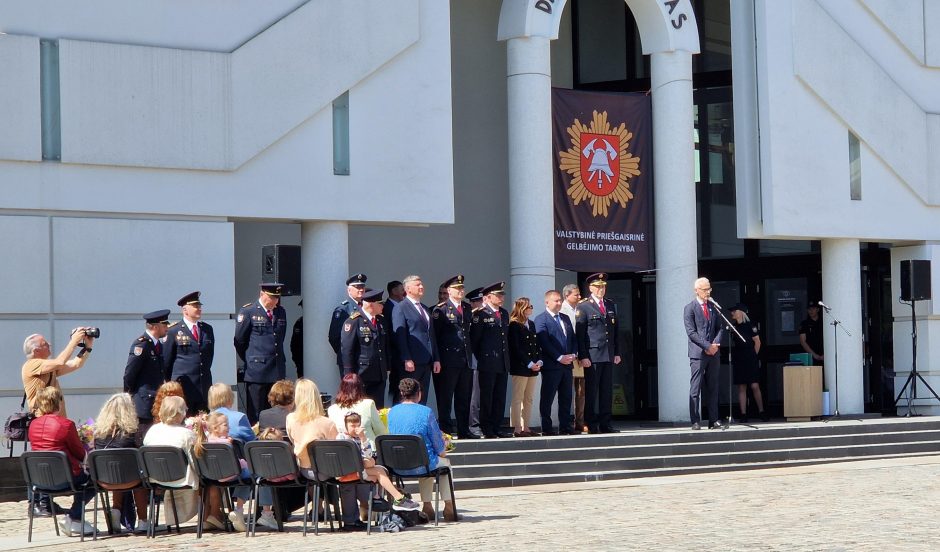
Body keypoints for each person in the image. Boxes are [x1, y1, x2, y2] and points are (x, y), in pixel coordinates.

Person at [287, 378, 369, 532]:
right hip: (324, 470)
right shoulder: (326, 422)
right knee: (349, 472)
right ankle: (354, 516)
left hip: (304, 469)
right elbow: (338, 449)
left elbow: (293, 439)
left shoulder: (290, 419)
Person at [28, 387, 97, 537]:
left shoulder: (33, 425)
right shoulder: (66, 424)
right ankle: (74, 518)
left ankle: (75, 520)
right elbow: (79, 453)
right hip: (66, 478)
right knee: (95, 479)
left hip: (40, 480)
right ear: (58, 402)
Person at [387, 378, 457, 522]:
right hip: (422, 463)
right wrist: (442, 452)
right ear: (419, 393)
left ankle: (428, 506)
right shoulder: (426, 412)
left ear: (401, 393)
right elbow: (437, 441)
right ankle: (449, 507)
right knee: (443, 464)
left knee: (427, 462)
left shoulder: (392, 412)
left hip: (398, 464)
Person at [193, 412, 276, 532]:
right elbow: (235, 462)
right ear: (216, 428)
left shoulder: (204, 442)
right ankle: (266, 513)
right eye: (225, 425)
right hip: (232, 474)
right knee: (262, 473)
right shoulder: (226, 443)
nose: (228, 427)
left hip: (213, 477)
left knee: (247, 477)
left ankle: (239, 512)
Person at [336, 411, 420, 512]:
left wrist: (363, 438)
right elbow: (346, 458)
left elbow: (368, 455)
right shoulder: (342, 438)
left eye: (358, 426)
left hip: (358, 471)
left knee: (378, 469)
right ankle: (397, 498)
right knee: (378, 471)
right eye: (352, 426)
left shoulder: (359, 438)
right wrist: (365, 463)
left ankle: (382, 498)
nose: (355, 429)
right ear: (345, 426)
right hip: (346, 472)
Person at [92, 393, 151, 534]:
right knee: (138, 477)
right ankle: (143, 521)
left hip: (104, 481)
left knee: (116, 471)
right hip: (132, 480)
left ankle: (116, 511)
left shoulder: (99, 434)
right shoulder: (133, 433)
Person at [142, 395, 201, 527]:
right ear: (180, 413)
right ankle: (211, 515)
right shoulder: (186, 434)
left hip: (155, 477)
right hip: (181, 478)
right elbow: (195, 462)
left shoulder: (152, 430)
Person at [234, 282, 288, 425]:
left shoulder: (280, 312)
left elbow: (280, 339)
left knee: (277, 412)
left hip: (276, 370)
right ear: (262, 294)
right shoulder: (249, 312)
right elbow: (239, 341)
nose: (275, 301)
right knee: (256, 413)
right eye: (272, 297)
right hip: (257, 371)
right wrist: (251, 359)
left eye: (277, 298)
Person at [575, 273, 621, 434]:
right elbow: (580, 334)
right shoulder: (584, 306)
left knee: (606, 391)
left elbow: (615, 331)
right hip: (592, 355)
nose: (601, 289)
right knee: (591, 391)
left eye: (603, 286)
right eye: (598, 287)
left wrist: (616, 352)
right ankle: (591, 423)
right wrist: (583, 355)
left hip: (608, 354)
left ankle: (605, 423)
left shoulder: (609, 305)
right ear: (591, 288)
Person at [431, 274, 474, 438]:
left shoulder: (467, 308)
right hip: (448, 360)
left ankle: (464, 429)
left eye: (462, 288)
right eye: (457, 288)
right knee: (446, 397)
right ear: (449, 291)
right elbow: (435, 336)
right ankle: (446, 431)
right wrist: (437, 359)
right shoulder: (440, 310)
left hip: (465, 359)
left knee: (464, 396)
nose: (461, 291)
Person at [469, 282, 512, 439]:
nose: (501, 298)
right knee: (484, 397)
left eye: (502, 295)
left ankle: (495, 426)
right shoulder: (480, 314)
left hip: (502, 361)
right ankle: (482, 426)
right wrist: (479, 361)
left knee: (499, 396)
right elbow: (475, 340)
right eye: (498, 295)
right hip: (486, 362)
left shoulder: (504, 313)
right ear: (487, 297)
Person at [22, 327, 94, 418]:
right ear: (36, 351)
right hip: (44, 423)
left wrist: (88, 347)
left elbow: (76, 364)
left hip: (58, 422)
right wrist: (74, 341)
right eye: (45, 344)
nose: (50, 344)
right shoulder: (31, 365)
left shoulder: (48, 367)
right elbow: (60, 362)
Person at [392, 274, 440, 405]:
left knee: (421, 396)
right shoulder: (401, 307)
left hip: (426, 361)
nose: (421, 287)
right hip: (412, 362)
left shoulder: (424, 308)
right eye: (417, 284)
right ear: (407, 288)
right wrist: (406, 358)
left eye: (421, 284)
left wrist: (436, 358)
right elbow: (400, 335)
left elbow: (431, 335)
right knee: (408, 396)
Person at [684, 277, 725, 430]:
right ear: (696, 290)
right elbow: (691, 333)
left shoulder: (713, 307)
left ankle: (713, 420)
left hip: (713, 353)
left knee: (713, 387)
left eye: (709, 289)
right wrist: (707, 346)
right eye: (704, 289)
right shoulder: (690, 308)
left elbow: (720, 327)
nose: (708, 292)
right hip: (698, 353)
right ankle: (695, 420)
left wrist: (715, 344)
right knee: (696, 387)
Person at [163, 291, 215, 414]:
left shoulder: (207, 329)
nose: (199, 309)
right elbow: (166, 362)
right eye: (195, 306)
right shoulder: (173, 331)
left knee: (202, 425)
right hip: (183, 387)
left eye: (199, 306)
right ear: (185, 310)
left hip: (203, 386)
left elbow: (208, 357)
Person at [535, 290, 578, 436]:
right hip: (552, 366)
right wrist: (559, 357)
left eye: (560, 300)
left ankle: (565, 426)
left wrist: (573, 354)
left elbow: (572, 338)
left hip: (567, 365)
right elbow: (544, 342)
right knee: (547, 397)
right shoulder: (541, 319)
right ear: (547, 302)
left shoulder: (565, 318)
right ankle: (546, 427)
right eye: (556, 301)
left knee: (566, 397)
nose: (559, 303)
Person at [124, 310, 171, 438]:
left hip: (156, 402)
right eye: (164, 325)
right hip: (144, 404)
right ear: (155, 327)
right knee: (143, 439)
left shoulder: (158, 345)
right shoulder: (142, 344)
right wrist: (130, 396)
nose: (167, 327)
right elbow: (129, 374)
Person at [340, 288, 389, 407]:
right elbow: (347, 350)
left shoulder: (381, 320)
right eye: (380, 303)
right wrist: (349, 375)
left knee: (377, 408)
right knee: (360, 407)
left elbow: (384, 346)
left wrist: (387, 367)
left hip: (379, 374)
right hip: (361, 374)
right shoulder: (354, 321)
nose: (383, 306)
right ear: (371, 304)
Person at [507, 297, 542, 437]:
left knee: (529, 398)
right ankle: (516, 428)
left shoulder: (531, 324)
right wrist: (528, 363)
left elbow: (536, 345)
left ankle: (525, 426)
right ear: (521, 308)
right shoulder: (514, 325)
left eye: (531, 306)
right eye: (528, 307)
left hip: (533, 366)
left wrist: (539, 360)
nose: (530, 309)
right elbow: (516, 347)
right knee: (518, 397)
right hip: (521, 366)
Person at [729, 304, 768, 423]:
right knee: (742, 386)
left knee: (754, 385)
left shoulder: (750, 325)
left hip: (750, 357)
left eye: (734, 311)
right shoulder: (734, 327)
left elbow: (758, 342)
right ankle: (743, 414)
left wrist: (754, 356)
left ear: (741, 312)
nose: (732, 313)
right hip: (739, 358)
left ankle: (761, 412)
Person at [327, 373, 388, 445]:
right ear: (360, 388)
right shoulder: (368, 404)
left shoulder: (332, 409)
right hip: (369, 452)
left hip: (344, 450)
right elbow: (380, 432)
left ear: (341, 389)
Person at [329, 274, 368, 377]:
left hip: (366, 361)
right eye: (357, 287)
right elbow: (334, 337)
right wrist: (345, 354)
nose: (361, 290)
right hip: (350, 361)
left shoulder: (367, 306)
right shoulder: (343, 309)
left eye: (362, 287)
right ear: (349, 290)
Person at [560, 283, 586, 433]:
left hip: (580, 355)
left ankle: (580, 421)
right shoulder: (561, 309)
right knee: (566, 391)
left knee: (581, 390)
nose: (579, 297)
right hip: (566, 355)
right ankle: (565, 422)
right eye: (576, 294)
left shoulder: (582, 308)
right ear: (566, 295)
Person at [465, 286, 485, 437]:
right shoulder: (473, 316)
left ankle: (484, 423)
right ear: (472, 303)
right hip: (474, 359)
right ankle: (474, 425)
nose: (482, 303)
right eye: (478, 301)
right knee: (475, 395)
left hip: (487, 360)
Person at [383, 280, 405, 404]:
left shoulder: (400, 306)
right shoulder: (387, 308)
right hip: (394, 356)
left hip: (401, 356)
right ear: (394, 291)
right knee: (395, 387)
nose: (404, 292)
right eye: (401, 289)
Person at [291, 299, 304, 379]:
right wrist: (296, 360)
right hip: (300, 360)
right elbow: (294, 343)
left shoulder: (315, 322)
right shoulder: (299, 322)